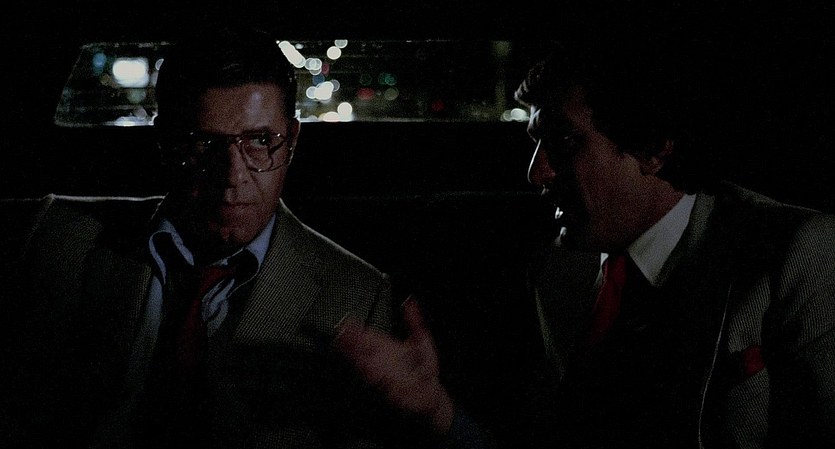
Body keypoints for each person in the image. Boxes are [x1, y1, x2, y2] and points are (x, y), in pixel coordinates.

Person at [335, 35, 835, 448]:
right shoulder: (561, 268)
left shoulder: (794, 255)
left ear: (653, 150)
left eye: (564, 141)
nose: (537, 172)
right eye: (536, 142)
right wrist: (437, 412)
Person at [0, 25, 404, 448]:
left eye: (260, 141)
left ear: (292, 142)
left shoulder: (357, 296)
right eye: (204, 142)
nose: (232, 176)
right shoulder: (60, 236)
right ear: (165, 142)